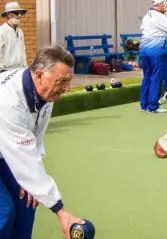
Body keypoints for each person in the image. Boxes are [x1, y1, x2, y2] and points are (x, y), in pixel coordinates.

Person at [0, 45, 85, 239]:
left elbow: (35, 137)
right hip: (8, 147)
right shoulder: (8, 101)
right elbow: (21, 153)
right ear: (39, 75)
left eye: (69, 81)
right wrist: (60, 210)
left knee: (27, 203)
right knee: (3, 212)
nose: (67, 88)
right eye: (62, 81)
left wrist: (30, 180)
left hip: (7, 149)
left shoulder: (46, 95)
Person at [139, 0, 167, 113]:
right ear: (160, 4)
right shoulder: (160, 17)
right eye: (165, 3)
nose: (166, 6)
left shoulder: (147, 16)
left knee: (147, 76)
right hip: (156, 51)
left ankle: (144, 104)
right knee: (156, 77)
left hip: (145, 51)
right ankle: (153, 106)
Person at [0, 2, 28, 72]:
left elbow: (23, 51)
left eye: (20, 13)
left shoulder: (20, 31)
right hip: (5, 71)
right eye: (16, 12)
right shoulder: (2, 31)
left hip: (20, 70)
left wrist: (25, 67)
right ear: (9, 14)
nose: (19, 15)